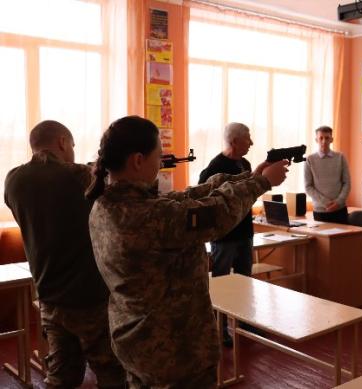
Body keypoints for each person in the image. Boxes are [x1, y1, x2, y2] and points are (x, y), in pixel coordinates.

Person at [86, 116, 288, 388]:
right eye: (158, 156)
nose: (160, 163)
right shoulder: (146, 216)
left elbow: (181, 199)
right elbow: (216, 213)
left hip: (136, 338)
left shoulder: (109, 203)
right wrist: (261, 184)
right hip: (174, 350)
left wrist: (250, 177)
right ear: (137, 160)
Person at [4, 120, 126, 388]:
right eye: (71, 145)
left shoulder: (13, 179)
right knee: (112, 373)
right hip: (89, 297)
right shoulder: (79, 175)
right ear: (62, 142)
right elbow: (121, 196)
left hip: (49, 296)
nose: (72, 150)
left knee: (61, 375)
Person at [198, 122, 255, 346]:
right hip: (224, 238)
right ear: (234, 141)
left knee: (245, 283)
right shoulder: (214, 168)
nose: (251, 143)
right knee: (221, 286)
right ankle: (219, 332)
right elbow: (204, 201)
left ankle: (245, 325)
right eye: (247, 138)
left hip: (245, 233)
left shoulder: (246, 164)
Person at [304, 126, 351, 224]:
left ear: (331, 139)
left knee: (342, 238)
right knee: (323, 239)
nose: (324, 141)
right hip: (320, 211)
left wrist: (338, 202)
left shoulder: (340, 158)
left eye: (327, 138)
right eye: (321, 138)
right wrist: (326, 203)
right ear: (316, 140)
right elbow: (308, 187)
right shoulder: (309, 160)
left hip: (340, 210)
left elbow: (347, 183)